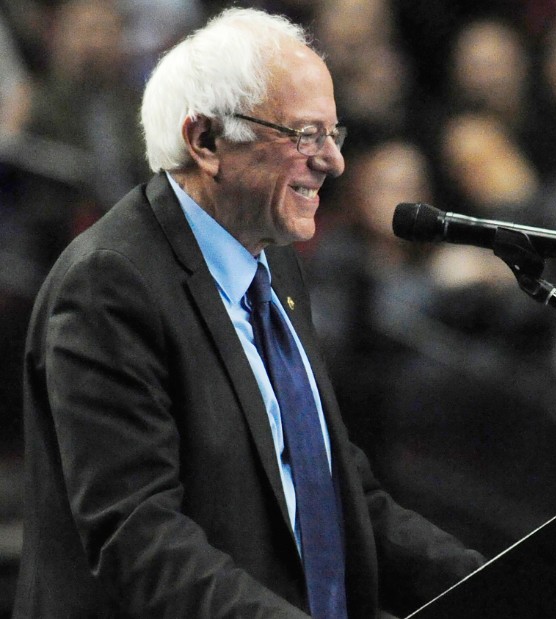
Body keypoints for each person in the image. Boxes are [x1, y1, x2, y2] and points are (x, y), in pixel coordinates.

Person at [15, 8, 483, 618]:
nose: (334, 162)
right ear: (206, 141)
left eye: (333, 135)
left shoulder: (274, 266)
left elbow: (339, 496)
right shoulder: (108, 285)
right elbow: (138, 535)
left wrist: (501, 586)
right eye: (305, 135)